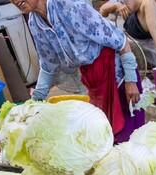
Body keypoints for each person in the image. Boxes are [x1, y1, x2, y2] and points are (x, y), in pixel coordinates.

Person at [15, 0, 144, 142]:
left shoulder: (71, 7)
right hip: (93, 78)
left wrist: (131, 80)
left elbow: (121, 41)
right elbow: (48, 65)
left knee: (131, 136)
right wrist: (33, 103)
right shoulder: (35, 23)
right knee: (105, 136)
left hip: (117, 73)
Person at [101, 0, 156, 69]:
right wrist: (116, 5)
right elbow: (102, 10)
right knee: (148, 2)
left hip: (154, 18)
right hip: (134, 24)